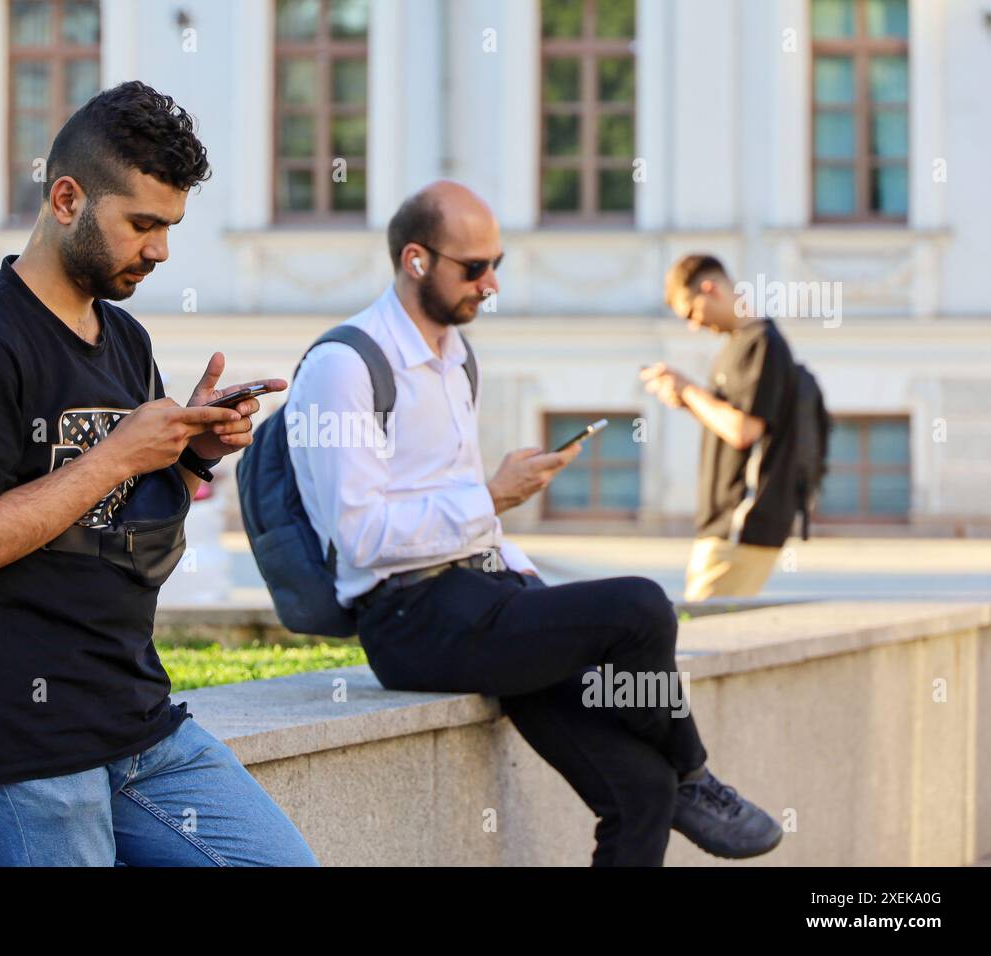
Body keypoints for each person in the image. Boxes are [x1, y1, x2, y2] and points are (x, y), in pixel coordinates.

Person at [286, 181, 783, 866]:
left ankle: (679, 785)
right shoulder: (344, 365)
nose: (491, 284)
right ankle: (697, 775)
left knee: (640, 790)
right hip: (410, 620)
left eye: (498, 264)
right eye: (474, 268)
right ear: (415, 260)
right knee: (640, 605)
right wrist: (491, 497)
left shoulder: (457, 357)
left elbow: (459, 512)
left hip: (484, 598)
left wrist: (519, 565)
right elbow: (362, 535)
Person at [0, 81, 315, 867]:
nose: (159, 250)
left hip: (136, 721)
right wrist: (121, 450)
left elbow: (118, 510)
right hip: (18, 739)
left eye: (171, 228)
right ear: (66, 199)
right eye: (142, 224)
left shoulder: (122, 337)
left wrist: (192, 448)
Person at [642, 254, 800, 601]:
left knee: (696, 634)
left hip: (741, 523)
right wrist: (689, 400)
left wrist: (688, 389)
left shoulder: (762, 343)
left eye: (691, 313)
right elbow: (730, 422)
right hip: (725, 524)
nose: (695, 325)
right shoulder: (737, 345)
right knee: (697, 626)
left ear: (709, 289)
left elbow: (743, 430)